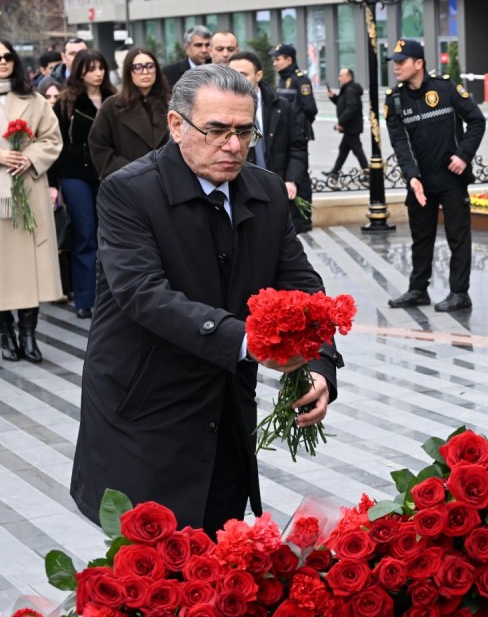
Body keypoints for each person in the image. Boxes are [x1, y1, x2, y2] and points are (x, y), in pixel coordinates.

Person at [69, 64, 342, 536]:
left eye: (244, 131)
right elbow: (143, 293)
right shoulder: (129, 192)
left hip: (226, 414)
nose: (233, 146)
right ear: (177, 125)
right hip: (146, 413)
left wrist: (318, 363)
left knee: (220, 567)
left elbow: (301, 283)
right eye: (216, 130)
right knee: (147, 582)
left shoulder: (267, 190)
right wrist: (250, 342)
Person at [384, 39, 486, 313]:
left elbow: (477, 120)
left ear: (419, 64)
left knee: (458, 237)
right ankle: (418, 290)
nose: (396, 67)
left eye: (401, 62)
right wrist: (411, 177)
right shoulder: (394, 99)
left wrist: (464, 155)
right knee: (421, 238)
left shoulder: (446, 88)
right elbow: (400, 142)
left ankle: (459, 293)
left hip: (452, 179)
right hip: (421, 182)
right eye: (394, 62)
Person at [0, 39, 64, 364]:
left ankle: (28, 332)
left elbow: (52, 138)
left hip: (27, 185)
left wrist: (30, 157)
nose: (2, 62)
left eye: (7, 57)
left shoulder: (33, 99)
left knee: (30, 267)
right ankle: (5, 331)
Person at [50, 49, 117, 319]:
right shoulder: (66, 101)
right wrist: (54, 183)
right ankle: (84, 298)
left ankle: (110, 296)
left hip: (108, 174)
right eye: (91, 68)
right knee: (85, 233)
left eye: (100, 67)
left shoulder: (114, 99)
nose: (97, 73)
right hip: (75, 173)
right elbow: (56, 144)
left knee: (110, 235)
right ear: (79, 71)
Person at [227, 51, 311, 234]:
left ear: (259, 75)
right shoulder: (222, 110)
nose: (236, 80)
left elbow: (297, 146)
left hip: (277, 190)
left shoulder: (281, 107)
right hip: (241, 193)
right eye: (232, 75)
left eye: (243, 75)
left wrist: (291, 180)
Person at [89, 46, 172, 178]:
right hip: (128, 180)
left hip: (167, 179)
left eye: (150, 66)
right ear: (129, 72)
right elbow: (99, 146)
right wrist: (131, 170)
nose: (145, 71)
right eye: (138, 67)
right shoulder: (112, 106)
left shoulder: (171, 104)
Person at [269, 43, 318, 141]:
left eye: (277, 59)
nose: (274, 63)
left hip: (297, 133)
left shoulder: (301, 80)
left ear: (289, 60)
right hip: (283, 131)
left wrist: (299, 123)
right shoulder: (283, 79)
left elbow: (310, 108)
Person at [325, 67, 368, 176]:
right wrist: (333, 97)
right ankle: (335, 172)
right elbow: (342, 104)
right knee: (343, 150)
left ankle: (369, 174)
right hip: (350, 126)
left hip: (351, 127)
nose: (339, 78)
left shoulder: (350, 90)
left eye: (341, 76)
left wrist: (341, 123)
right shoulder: (347, 89)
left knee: (357, 151)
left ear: (348, 77)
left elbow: (351, 108)